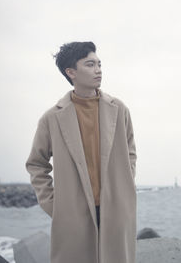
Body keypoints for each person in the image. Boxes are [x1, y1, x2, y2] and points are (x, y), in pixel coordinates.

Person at [25, 41, 137, 263]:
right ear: (71, 72)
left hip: (115, 209)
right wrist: (54, 205)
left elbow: (130, 152)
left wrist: (124, 186)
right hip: (72, 213)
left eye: (99, 64)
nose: (98, 69)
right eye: (90, 64)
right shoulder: (52, 118)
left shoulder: (119, 109)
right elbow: (36, 163)